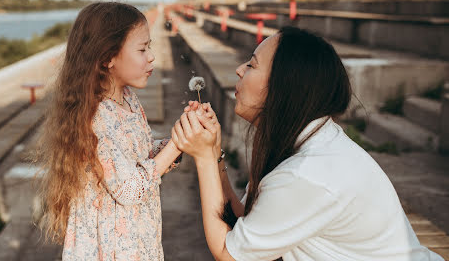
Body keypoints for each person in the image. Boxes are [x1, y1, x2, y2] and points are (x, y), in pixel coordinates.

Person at [172, 26, 443, 261]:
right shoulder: (302, 144)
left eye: (252, 65)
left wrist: (205, 159)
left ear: (283, 86)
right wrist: (213, 150)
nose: (239, 70)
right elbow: (245, 218)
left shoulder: (305, 173)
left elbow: (230, 253)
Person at [37, 2, 182, 260]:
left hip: (136, 236)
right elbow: (127, 188)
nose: (151, 56)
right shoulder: (95, 117)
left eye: (150, 46)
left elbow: (139, 154)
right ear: (107, 57)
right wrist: (176, 145)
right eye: (142, 49)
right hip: (112, 246)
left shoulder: (128, 99)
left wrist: (180, 139)